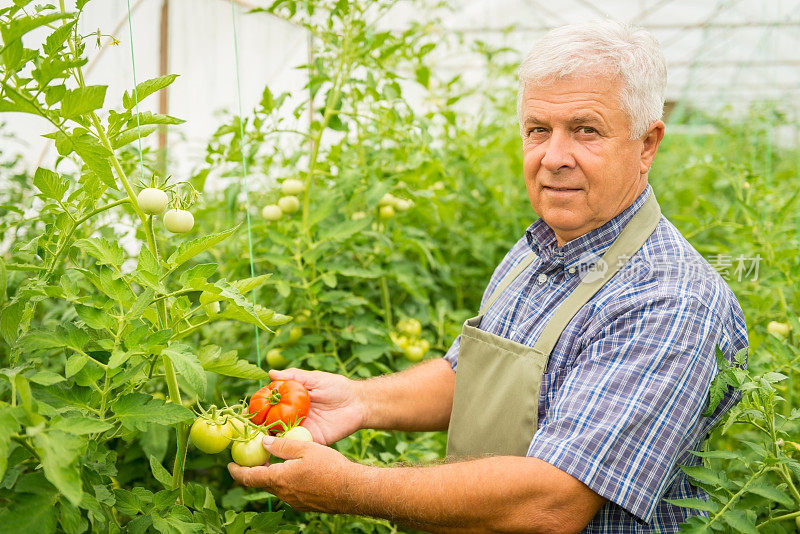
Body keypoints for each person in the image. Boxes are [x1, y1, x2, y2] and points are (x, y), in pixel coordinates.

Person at [228, 19, 748, 533]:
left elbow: (552, 502)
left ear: (647, 145)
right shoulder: (537, 248)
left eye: (586, 131)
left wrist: (351, 488)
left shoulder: (669, 297)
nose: (554, 157)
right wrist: (363, 401)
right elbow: (470, 375)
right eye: (538, 130)